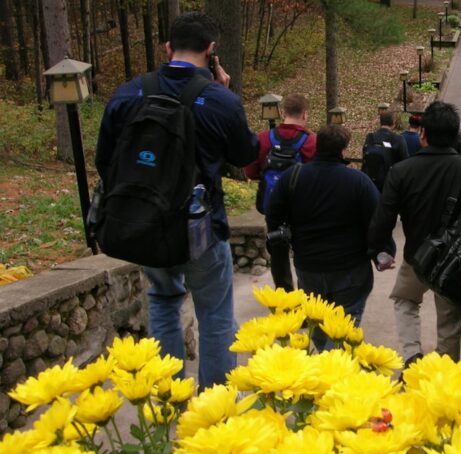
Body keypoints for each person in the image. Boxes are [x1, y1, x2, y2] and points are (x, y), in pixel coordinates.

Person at [95, 12, 259, 389]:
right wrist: (227, 92)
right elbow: (244, 153)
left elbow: (106, 160)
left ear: (168, 48)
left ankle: (169, 399)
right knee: (216, 315)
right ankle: (213, 409)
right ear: (212, 50)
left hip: (147, 225)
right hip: (200, 225)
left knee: (163, 301)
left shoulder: (129, 93)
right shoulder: (219, 100)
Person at [368, 101, 461, 366]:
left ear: (423, 133)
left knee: (404, 299)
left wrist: (380, 251)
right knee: (449, 326)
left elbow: (383, 216)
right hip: (458, 260)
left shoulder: (402, 171)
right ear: (456, 133)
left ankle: (412, 355)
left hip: (417, 257)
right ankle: (445, 376)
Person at [266, 125, 390, 350]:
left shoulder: (292, 177)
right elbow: (377, 221)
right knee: (344, 327)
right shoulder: (358, 181)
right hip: (351, 268)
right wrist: (382, 251)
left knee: (318, 323)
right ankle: (334, 367)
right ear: (343, 150)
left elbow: (273, 217)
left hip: (308, 266)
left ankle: (325, 359)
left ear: (317, 147)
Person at [244, 94, 317, 292]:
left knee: (277, 250)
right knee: (304, 251)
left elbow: (250, 170)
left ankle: (284, 296)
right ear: (304, 114)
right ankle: (307, 295)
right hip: (302, 205)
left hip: (273, 205)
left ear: (283, 113)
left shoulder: (264, 138)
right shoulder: (311, 141)